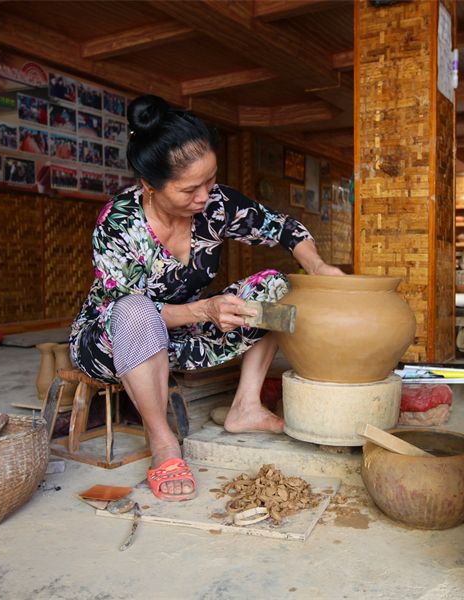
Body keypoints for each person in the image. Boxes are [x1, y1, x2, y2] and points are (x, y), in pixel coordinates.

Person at [69, 95, 343, 502]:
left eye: (210, 181)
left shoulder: (215, 205)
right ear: (149, 185)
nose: (204, 196)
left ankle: (245, 406)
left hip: (183, 337)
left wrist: (317, 266)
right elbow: (122, 307)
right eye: (189, 189)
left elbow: (283, 228)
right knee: (136, 311)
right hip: (113, 341)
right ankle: (163, 442)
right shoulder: (120, 222)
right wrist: (204, 309)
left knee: (277, 288)